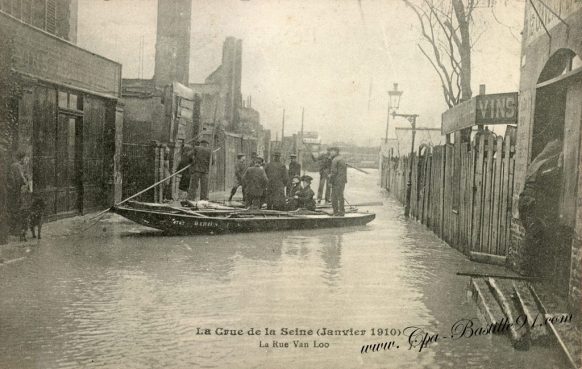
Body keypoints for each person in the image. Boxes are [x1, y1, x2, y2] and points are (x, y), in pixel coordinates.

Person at [518, 138, 563, 278]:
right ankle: (527, 270)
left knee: (533, 233)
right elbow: (548, 177)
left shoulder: (536, 163)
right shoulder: (543, 166)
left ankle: (528, 269)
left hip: (525, 201)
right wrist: (560, 167)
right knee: (534, 234)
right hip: (531, 202)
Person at [7, 151, 29, 235]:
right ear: (22, 158)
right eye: (25, 158)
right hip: (16, 191)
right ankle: (15, 230)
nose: (26, 160)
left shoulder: (13, 165)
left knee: (13, 208)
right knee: (18, 209)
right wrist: (26, 181)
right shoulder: (18, 166)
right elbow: (22, 178)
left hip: (12, 190)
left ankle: (12, 229)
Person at [329, 146, 347, 216]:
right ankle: (342, 211)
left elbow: (333, 172)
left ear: (336, 152)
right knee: (340, 196)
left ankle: (335, 212)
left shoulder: (335, 160)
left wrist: (330, 181)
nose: (330, 153)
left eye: (332, 151)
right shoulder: (342, 159)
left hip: (336, 182)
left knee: (334, 197)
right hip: (342, 181)